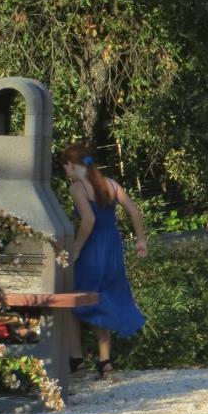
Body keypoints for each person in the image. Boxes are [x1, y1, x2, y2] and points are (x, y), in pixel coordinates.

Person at [60, 144, 148, 379]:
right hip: (113, 246)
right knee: (103, 297)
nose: (65, 172)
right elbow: (134, 211)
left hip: (92, 248)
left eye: (65, 167)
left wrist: (76, 249)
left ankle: (76, 360)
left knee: (73, 300)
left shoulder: (77, 188)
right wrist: (141, 241)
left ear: (71, 164)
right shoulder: (110, 184)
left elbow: (87, 221)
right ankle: (105, 361)